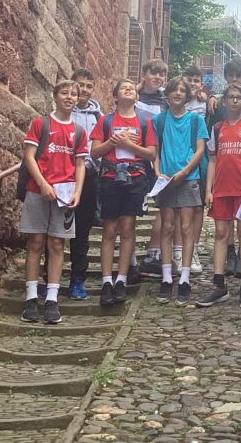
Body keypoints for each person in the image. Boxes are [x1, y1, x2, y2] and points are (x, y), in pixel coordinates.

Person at [19, 80, 88, 324]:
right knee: (36, 242)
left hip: (64, 194)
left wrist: (78, 191)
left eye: (74, 94)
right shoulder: (41, 123)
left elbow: (80, 164)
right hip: (37, 191)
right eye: (65, 93)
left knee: (57, 244)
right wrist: (42, 183)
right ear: (55, 96)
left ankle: (52, 298)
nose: (70, 97)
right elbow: (29, 156)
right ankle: (30, 297)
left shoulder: (79, 131)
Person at [196, 83, 241, 309]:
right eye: (231, 97)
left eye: (238, 97)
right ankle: (219, 285)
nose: (234, 101)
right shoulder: (217, 129)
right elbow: (212, 160)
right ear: (224, 101)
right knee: (221, 234)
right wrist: (209, 190)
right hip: (222, 189)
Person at [91, 79, 157, 306]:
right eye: (123, 87)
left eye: (131, 88)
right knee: (109, 229)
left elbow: (151, 154)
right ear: (116, 97)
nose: (129, 89)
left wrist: (129, 145)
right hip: (110, 177)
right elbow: (94, 152)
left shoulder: (145, 121)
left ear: (136, 97)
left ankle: (121, 278)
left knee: (128, 227)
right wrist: (112, 142)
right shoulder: (106, 120)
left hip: (135, 178)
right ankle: (106, 281)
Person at [153, 77, 208, 305]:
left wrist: (185, 171)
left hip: (189, 178)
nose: (178, 93)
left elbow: (200, 149)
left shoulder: (195, 119)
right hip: (166, 179)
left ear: (187, 95)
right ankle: (167, 277)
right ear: (167, 94)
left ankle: (184, 278)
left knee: (186, 228)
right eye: (174, 89)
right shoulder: (159, 120)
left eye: (182, 90)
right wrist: (157, 171)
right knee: (166, 227)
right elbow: (155, 150)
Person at [67, 69, 102, 300]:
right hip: (62, 175)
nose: (85, 90)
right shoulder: (62, 112)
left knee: (81, 231)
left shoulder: (98, 116)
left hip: (88, 176)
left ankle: (77, 279)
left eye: (89, 86)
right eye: (81, 85)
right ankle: (49, 280)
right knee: (54, 231)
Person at [136, 60, 169, 278]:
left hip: (159, 158)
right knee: (131, 211)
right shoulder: (133, 96)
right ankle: (129, 260)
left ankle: (152, 254)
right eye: (154, 73)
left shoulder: (165, 101)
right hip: (135, 158)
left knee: (162, 207)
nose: (158, 77)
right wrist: (137, 87)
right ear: (144, 74)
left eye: (162, 74)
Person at [182, 64, 208, 275]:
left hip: (200, 157)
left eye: (196, 80)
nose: (192, 83)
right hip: (177, 155)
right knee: (178, 208)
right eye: (189, 79)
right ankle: (178, 249)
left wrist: (211, 97)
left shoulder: (206, 102)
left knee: (198, 206)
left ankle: (195, 248)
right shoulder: (174, 98)